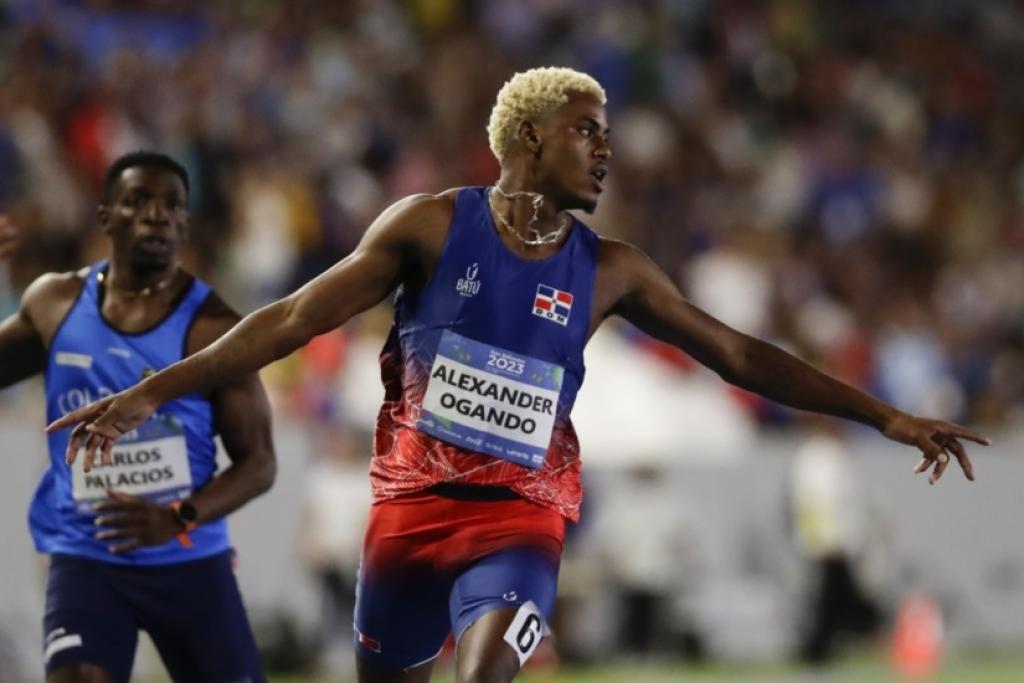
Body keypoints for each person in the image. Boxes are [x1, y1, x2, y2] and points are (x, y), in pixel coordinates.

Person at [49, 69, 988, 683]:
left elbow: (740, 355)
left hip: (520, 518)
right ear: (531, 137)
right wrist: (149, 391)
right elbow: (294, 319)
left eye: (609, 134)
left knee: (490, 671)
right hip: (408, 518)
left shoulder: (611, 269)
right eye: (589, 132)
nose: (607, 149)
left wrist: (887, 417)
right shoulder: (425, 226)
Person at [3, 151, 276, 683]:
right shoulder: (55, 305)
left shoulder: (215, 329)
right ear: (106, 217)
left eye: (172, 205)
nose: (157, 215)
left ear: (185, 224)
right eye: (138, 201)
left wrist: (177, 518)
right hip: (86, 554)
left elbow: (260, 464)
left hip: (188, 559)